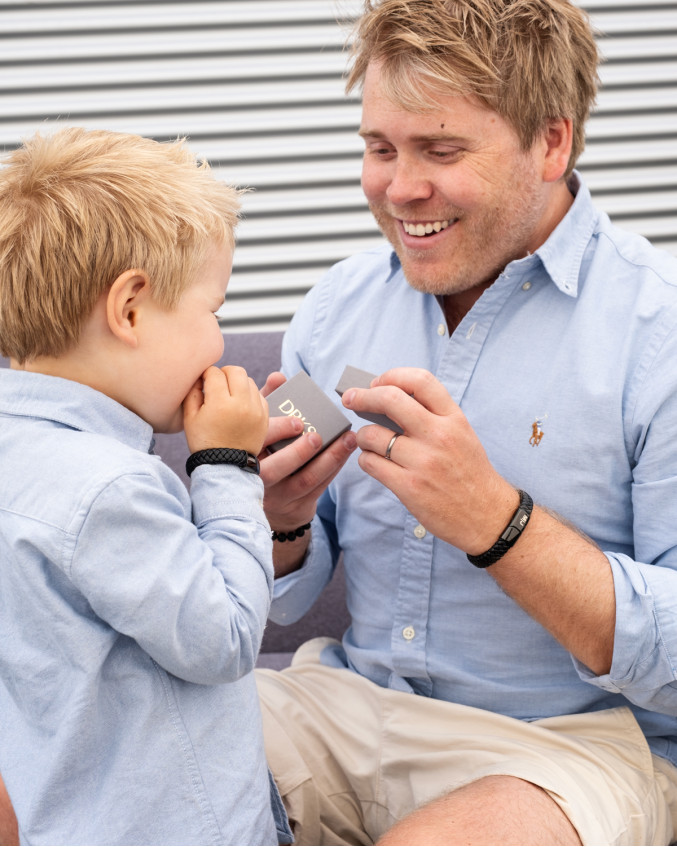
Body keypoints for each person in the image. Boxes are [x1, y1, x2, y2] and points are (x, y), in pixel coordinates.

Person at [255, 0, 677, 844]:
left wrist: (497, 521)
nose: (399, 187)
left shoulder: (655, 334)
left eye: (440, 150)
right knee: (44, 766)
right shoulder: (337, 308)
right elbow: (289, 582)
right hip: (342, 704)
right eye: (380, 148)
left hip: (565, 748)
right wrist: (280, 521)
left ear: (550, 143)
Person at [0, 127, 293, 846]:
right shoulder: (110, 487)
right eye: (212, 310)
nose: (219, 341)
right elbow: (223, 638)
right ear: (130, 308)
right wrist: (228, 468)